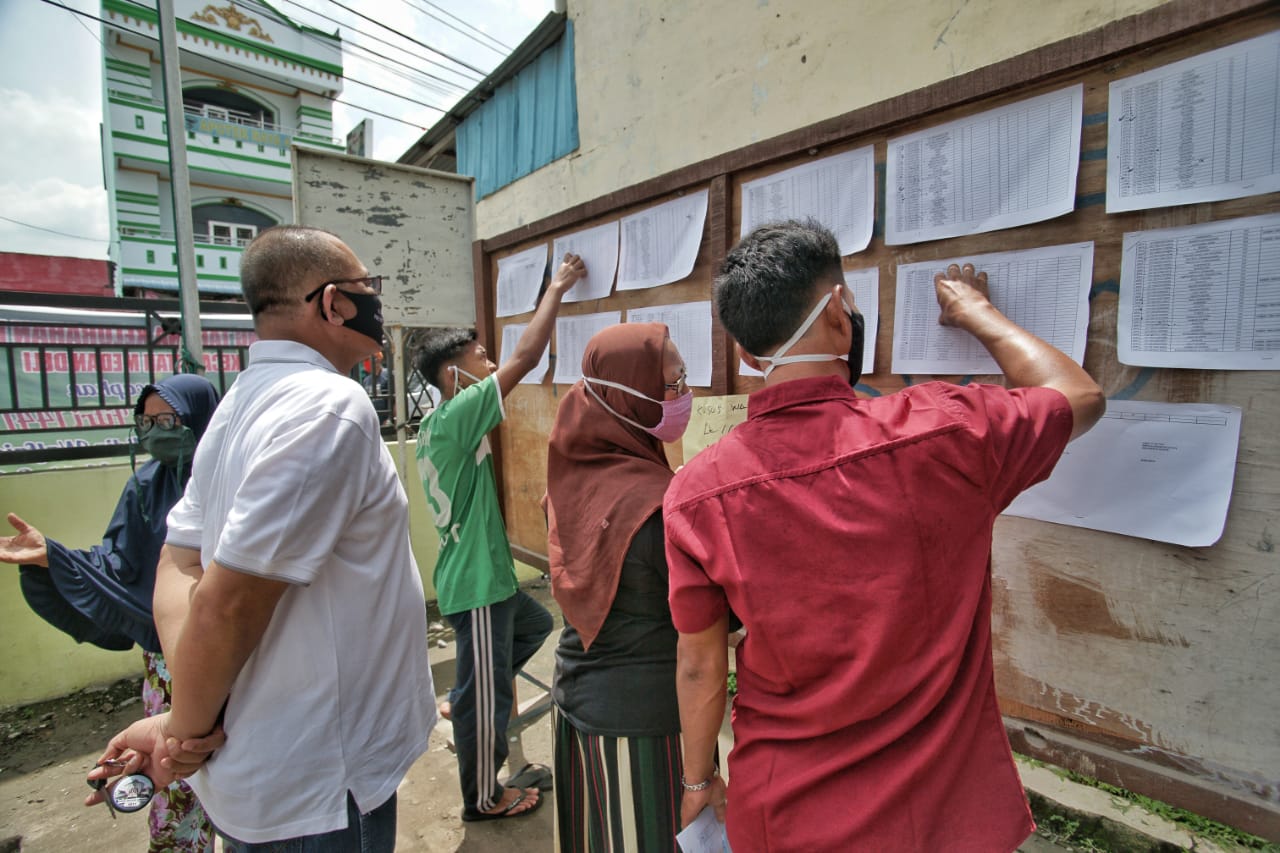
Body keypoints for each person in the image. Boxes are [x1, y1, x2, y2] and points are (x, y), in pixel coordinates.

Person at [666, 220, 1105, 852]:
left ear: (748, 355)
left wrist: (698, 780)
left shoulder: (696, 491)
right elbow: (1077, 395)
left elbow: (700, 664)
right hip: (940, 816)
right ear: (839, 314)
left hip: (787, 811)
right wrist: (976, 313)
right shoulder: (943, 432)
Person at [86, 225, 436, 852]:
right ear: (334, 303)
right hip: (318, 783)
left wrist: (184, 713)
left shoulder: (240, 402)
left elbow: (180, 563)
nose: (377, 303)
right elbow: (229, 603)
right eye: (368, 288)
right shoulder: (330, 406)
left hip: (272, 767)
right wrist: (183, 729)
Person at [2, 372, 220, 853]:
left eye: (170, 420)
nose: (157, 431)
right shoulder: (143, 486)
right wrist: (52, 557)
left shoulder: (232, 482)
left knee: (237, 771)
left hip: (233, 650)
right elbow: (119, 566)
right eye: (147, 421)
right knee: (174, 769)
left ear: (201, 418)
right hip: (167, 658)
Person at [413, 251, 585, 822]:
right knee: (489, 699)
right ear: (452, 376)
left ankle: (468, 696)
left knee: (532, 626)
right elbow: (527, 357)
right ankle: (484, 798)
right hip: (477, 584)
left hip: (484, 580)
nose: (490, 365)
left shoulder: (441, 422)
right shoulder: (459, 413)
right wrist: (556, 287)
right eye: (480, 358)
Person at [544, 323, 692, 851]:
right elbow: (718, 619)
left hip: (576, 698)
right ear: (631, 397)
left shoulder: (572, 469)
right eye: (672, 383)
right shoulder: (656, 504)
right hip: (643, 726)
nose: (684, 394)